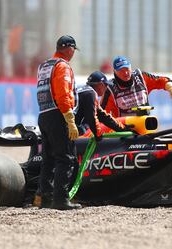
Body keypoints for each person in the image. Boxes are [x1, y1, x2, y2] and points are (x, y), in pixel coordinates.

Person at [36, 35, 82, 210]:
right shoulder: (62, 66)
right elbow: (62, 93)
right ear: (69, 49)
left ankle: (46, 199)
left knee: (48, 159)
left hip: (44, 114)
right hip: (59, 114)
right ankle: (61, 200)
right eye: (73, 50)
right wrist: (70, 119)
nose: (73, 54)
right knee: (66, 158)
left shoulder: (44, 65)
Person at [100, 56, 172, 117]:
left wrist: (171, 87)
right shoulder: (110, 89)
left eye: (127, 69)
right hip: (123, 130)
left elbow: (160, 81)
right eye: (121, 70)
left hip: (144, 125)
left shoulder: (141, 77)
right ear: (115, 72)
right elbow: (101, 113)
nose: (125, 73)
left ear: (130, 67)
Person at [75, 71, 130, 137]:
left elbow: (103, 116)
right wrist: (98, 135)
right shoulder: (91, 93)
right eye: (106, 85)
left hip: (64, 124)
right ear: (101, 84)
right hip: (65, 127)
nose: (107, 88)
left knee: (84, 127)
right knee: (84, 129)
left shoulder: (85, 91)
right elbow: (92, 118)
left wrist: (123, 129)